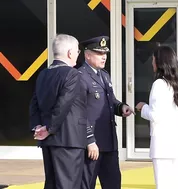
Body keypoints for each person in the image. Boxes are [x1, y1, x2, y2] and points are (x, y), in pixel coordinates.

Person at [29, 34, 92, 189]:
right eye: (77, 51)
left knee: (52, 184)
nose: (78, 55)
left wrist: (38, 126)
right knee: (68, 184)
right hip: (68, 140)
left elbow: (34, 103)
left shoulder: (43, 73)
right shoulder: (72, 74)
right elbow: (63, 104)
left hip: (49, 141)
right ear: (70, 53)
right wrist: (49, 129)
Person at [78, 36, 134, 189]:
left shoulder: (104, 75)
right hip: (93, 145)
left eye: (105, 53)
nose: (104, 57)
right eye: (99, 53)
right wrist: (89, 141)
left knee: (113, 183)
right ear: (87, 55)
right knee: (87, 184)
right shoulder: (81, 77)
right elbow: (80, 112)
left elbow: (110, 101)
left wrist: (121, 107)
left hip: (109, 142)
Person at [135, 45, 178, 189]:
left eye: (153, 60)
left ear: (160, 63)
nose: (152, 63)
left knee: (164, 183)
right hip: (177, 142)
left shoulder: (159, 84)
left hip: (163, 143)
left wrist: (142, 107)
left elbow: (155, 115)